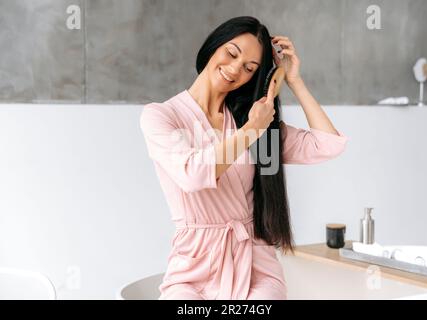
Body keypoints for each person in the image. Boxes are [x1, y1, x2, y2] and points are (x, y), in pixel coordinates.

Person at [140, 16, 349, 300]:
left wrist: (294, 81)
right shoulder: (163, 116)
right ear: (213, 46)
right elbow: (192, 173)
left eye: (249, 68)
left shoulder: (249, 119)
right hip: (192, 270)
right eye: (232, 53)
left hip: (256, 267)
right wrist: (252, 131)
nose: (235, 69)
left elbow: (327, 144)